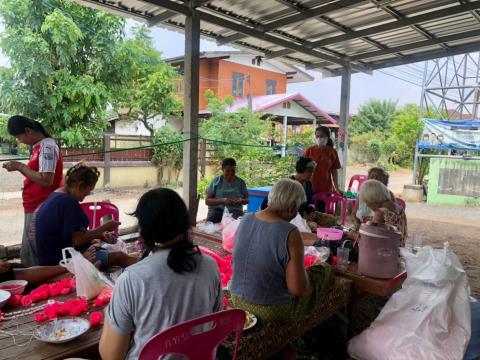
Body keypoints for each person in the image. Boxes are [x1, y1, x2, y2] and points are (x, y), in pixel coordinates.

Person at [99, 188, 223, 360]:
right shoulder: (210, 266)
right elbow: (214, 318)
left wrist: (110, 313)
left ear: (143, 229)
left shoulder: (131, 280)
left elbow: (110, 356)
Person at [230, 179, 334, 322]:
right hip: (271, 308)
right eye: (298, 208)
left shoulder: (246, 219)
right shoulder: (290, 232)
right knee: (323, 270)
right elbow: (297, 290)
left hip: (236, 298)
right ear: (292, 207)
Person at [34, 163, 137, 268]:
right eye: (88, 190)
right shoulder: (68, 203)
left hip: (48, 257)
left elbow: (72, 234)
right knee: (120, 257)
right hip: (62, 260)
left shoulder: (56, 195)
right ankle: (147, 267)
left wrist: (100, 235)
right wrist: (104, 227)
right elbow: (78, 240)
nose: (87, 195)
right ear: (80, 186)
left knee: (102, 249)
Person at [2, 115, 63, 267]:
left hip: (40, 206)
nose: (19, 141)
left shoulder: (47, 147)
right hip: (35, 205)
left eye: (19, 137)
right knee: (31, 250)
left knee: (35, 254)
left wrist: (20, 167)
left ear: (28, 130)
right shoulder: (39, 147)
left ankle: (39, 286)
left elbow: (46, 180)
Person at [357, 179, 407, 246]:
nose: (368, 206)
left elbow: (370, 242)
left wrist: (353, 235)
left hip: (384, 254)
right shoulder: (399, 209)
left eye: (366, 202)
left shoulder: (380, 213)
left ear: (372, 199)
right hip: (398, 251)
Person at [205, 157, 249, 223]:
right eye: (227, 171)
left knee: (236, 228)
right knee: (211, 227)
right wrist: (222, 200)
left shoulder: (241, 182)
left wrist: (241, 201)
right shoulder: (216, 181)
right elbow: (207, 201)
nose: (230, 173)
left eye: (233, 171)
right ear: (222, 169)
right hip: (218, 211)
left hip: (235, 212)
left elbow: (247, 200)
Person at [304, 126, 342, 196]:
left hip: (325, 188)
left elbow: (334, 171)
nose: (319, 138)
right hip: (309, 187)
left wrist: (336, 187)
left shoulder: (332, 152)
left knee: (323, 207)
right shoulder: (309, 150)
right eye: (317, 136)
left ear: (327, 137)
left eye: (322, 136)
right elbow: (302, 169)